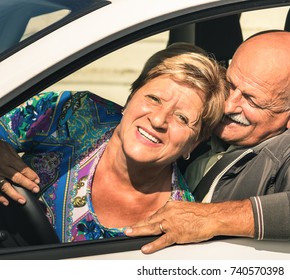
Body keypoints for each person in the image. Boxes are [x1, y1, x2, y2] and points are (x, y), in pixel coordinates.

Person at [124, 31, 290, 254]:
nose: (229, 105)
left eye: (252, 101)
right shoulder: (210, 116)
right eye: (230, 85)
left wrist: (213, 218)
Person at [0, 43, 227, 242]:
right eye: (154, 98)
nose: (158, 120)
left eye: (182, 118)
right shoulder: (76, 113)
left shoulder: (177, 222)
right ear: (129, 99)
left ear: (194, 143)